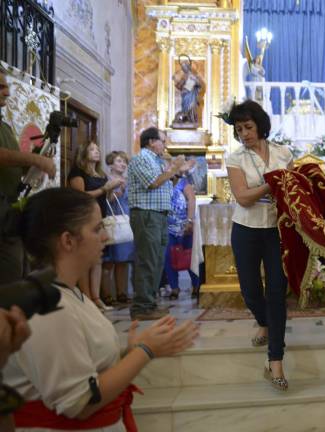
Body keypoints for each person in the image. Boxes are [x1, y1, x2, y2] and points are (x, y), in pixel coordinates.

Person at [3, 187, 198, 431]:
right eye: (97, 229)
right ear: (68, 240)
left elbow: (90, 366)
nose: (105, 236)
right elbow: (80, 402)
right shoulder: (49, 308)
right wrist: (146, 351)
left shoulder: (70, 294)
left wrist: (130, 352)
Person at [225, 100, 293, 391]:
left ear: (260, 124)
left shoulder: (283, 152)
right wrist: (273, 184)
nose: (244, 134)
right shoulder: (235, 158)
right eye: (239, 129)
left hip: (276, 231)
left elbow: (293, 189)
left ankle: (275, 360)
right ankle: (262, 320)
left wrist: (285, 187)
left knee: (277, 292)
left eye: (248, 127)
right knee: (250, 290)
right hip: (246, 230)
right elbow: (242, 197)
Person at [0, 65, 56, 284]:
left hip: (8, 208)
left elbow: (11, 162)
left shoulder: (4, 126)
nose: (7, 92)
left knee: (17, 270)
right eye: (1, 87)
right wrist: (35, 159)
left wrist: (36, 163)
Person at [127, 127, 185, 321]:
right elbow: (153, 182)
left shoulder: (157, 160)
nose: (165, 145)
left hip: (159, 215)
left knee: (157, 259)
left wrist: (177, 173)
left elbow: (167, 184)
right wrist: (174, 168)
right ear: (151, 142)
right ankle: (141, 307)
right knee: (147, 259)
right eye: (163, 141)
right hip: (146, 214)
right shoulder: (142, 158)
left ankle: (149, 304)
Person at [68, 142, 123, 311]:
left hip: (100, 218)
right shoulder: (78, 172)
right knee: (86, 258)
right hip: (84, 218)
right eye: (92, 149)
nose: (96, 152)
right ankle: (86, 297)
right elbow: (80, 196)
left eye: (98, 149)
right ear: (83, 152)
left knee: (97, 259)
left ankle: (97, 297)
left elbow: (107, 199)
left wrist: (115, 190)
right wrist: (103, 189)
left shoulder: (100, 174)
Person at [163, 161, 199, 300]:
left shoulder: (184, 182)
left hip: (185, 226)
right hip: (167, 226)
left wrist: (190, 221)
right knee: (169, 257)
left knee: (190, 257)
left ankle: (196, 286)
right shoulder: (162, 182)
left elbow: (191, 200)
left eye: (169, 166)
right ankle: (174, 287)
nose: (167, 168)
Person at [102, 151, 135, 304]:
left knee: (123, 260)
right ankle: (107, 294)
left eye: (124, 162)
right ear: (111, 163)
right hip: (112, 220)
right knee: (108, 261)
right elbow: (106, 199)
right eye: (119, 161)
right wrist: (116, 190)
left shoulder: (128, 180)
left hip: (125, 222)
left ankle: (122, 293)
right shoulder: (106, 179)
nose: (123, 164)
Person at [172, 55, 205, 127]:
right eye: (183, 68)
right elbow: (181, 87)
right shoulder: (185, 76)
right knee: (185, 108)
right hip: (185, 95)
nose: (184, 69)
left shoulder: (192, 75)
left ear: (188, 67)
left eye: (185, 68)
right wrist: (175, 81)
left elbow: (199, 85)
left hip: (191, 95)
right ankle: (187, 120)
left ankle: (192, 120)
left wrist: (195, 83)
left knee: (191, 108)